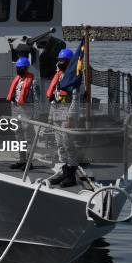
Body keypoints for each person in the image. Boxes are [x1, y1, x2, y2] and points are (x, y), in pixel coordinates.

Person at [46, 49, 82, 187]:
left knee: (68, 144)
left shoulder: (74, 77)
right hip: (57, 111)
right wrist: (50, 116)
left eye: (62, 61)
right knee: (60, 144)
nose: (59, 63)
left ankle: (71, 175)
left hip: (67, 113)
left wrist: (70, 118)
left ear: (68, 62)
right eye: (58, 60)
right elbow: (54, 98)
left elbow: (75, 99)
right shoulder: (59, 75)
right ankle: (64, 171)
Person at [6, 57, 41, 170]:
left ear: (26, 68)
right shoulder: (17, 79)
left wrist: (36, 115)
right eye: (17, 68)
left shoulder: (33, 82)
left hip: (27, 110)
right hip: (16, 109)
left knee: (28, 137)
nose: (18, 69)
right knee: (18, 136)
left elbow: (37, 99)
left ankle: (29, 162)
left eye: (20, 68)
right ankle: (22, 160)